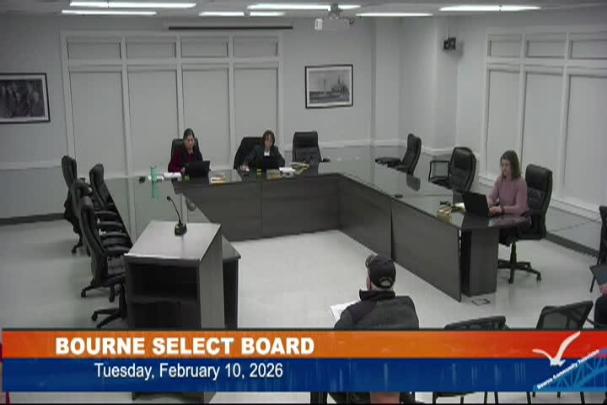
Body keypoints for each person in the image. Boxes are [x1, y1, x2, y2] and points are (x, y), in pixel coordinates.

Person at [331, 254, 419, 404]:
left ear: (369, 282)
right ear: (393, 282)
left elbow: (333, 342)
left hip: (363, 387)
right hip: (400, 380)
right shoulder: (408, 306)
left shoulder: (354, 313)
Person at [487, 150, 528, 217]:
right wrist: (489, 203)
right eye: (502, 165)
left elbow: (520, 208)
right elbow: (491, 197)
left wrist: (502, 209)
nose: (504, 168)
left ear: (513, 166)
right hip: (504, 215)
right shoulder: (500, 179)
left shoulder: (521, 183)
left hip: (518, 218)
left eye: (506, 165)